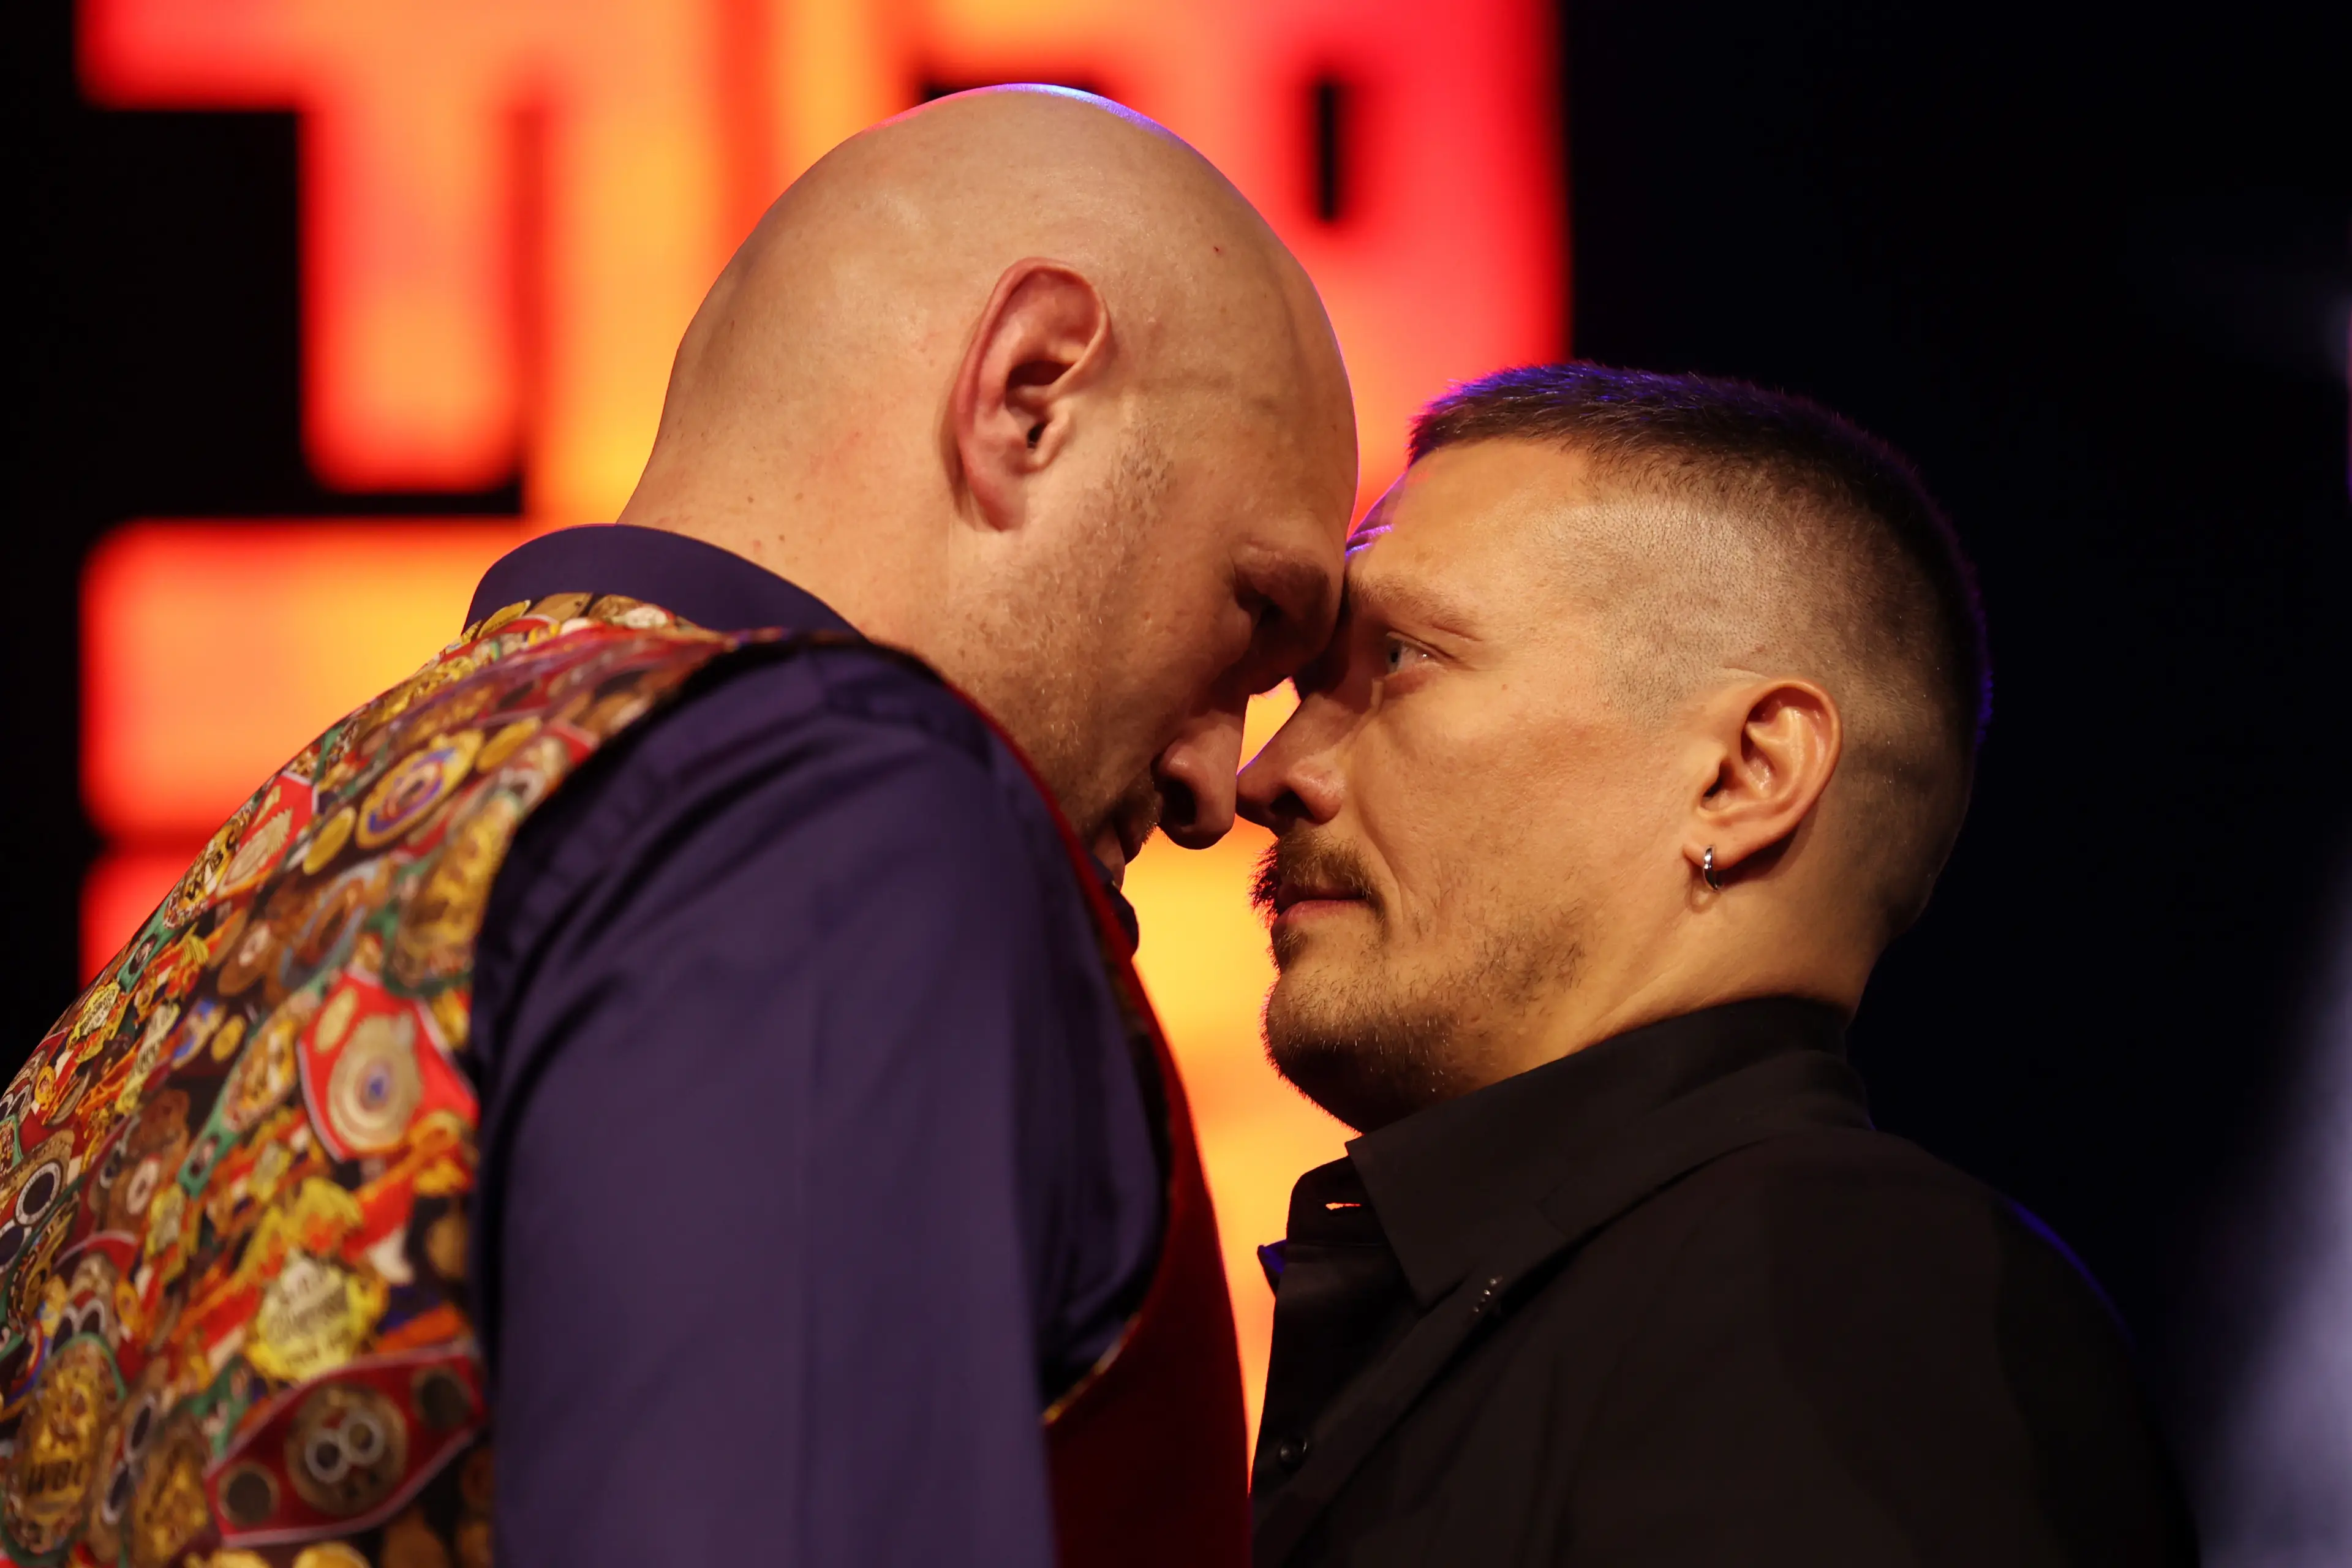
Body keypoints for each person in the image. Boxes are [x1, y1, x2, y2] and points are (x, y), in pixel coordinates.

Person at [0, 88, 1355, 1568]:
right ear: (1027, 394)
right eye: (1252, 613)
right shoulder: (836, 814)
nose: (1219, 787)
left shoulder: (258, 878)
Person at [1240, 363, 2196, 1566]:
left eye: (1398, 659)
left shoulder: (1850, 1300)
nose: (1266, 775)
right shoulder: (1642, 1293)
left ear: (1747, 774)